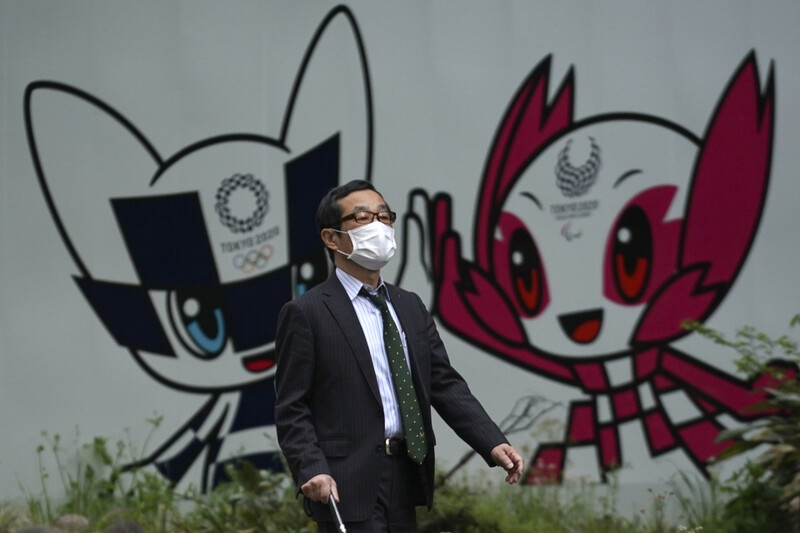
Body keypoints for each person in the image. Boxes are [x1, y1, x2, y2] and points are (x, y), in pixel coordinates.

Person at [274, 179, 524, 532]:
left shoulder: (408, 305)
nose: (378, 226)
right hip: (344, 482)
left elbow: (444, 384)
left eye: (384, 215)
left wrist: (492, 441)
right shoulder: (307, 312)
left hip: (406, 474)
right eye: (362, 218)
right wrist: (310, 467)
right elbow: (292, 406)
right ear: (331, 238)